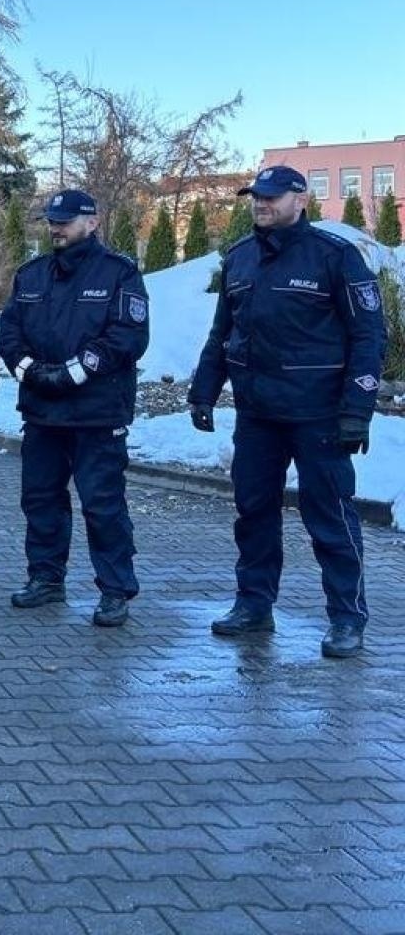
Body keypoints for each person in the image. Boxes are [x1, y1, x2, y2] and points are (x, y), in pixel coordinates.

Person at [188, 165, 386, 658]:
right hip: (257, 415)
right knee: (253, 512)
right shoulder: (240, 259)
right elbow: (223, 333)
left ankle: (346, 618)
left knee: (330, 517)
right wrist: (204, 390)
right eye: (257, 195)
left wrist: (357, 409)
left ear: (301, 200)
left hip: (318, 415)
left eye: (273, 196)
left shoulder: (334, 257)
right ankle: (254, 605)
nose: (261, 203)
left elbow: (369, 337)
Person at [0, 189, 149, 628]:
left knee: (102, 506)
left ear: (92, 221)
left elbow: (128, 337)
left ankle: (115, 589)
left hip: (96, 413)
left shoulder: (119, 273)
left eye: (65, 220)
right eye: (51, 220)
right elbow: (9, 334)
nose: (56, 227)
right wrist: (29, 370)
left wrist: (74, 372)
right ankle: (46, 578)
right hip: (43, 411)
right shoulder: (32, 275)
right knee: (40, 499)